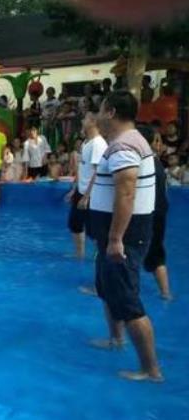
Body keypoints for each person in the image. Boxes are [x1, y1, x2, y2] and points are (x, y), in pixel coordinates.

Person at [89, 90, 162, 382]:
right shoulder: (127, 142)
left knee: (128, 301)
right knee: (108, 288)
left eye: (100, 109)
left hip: (124, 237)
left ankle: (151, 369)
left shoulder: (124, 145)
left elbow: (127, 191)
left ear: (111, 112)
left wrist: (116, 238)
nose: (97, 115)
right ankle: (116, 339)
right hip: (114, 235)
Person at [66, 112, 108, 260]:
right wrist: (74, 190)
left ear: (93, 122)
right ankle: (80, 254)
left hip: (92, 193)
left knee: (93, 229)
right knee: (75, 223)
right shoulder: (86, 142)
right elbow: (83, 169)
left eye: (85, 119)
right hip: (81, 190)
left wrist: (86, 196)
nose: (82, 121)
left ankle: (100, 255)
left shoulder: (98, 144)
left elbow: (97, 172)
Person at [138, 125, 172, 301]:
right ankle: (166, 293)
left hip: (146, 214)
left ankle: (106, 289)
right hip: (160, 213)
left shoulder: (142, 162)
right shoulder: (157, 162)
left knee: (125, 253)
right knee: (156, 253)